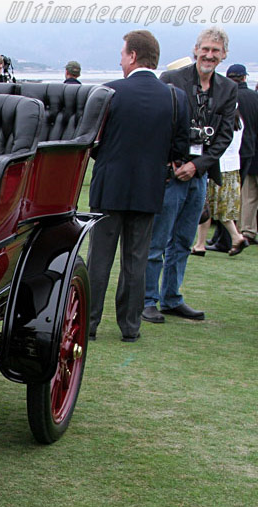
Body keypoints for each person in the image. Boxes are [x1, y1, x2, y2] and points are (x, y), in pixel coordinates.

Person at [87, 30, 188, 342]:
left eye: (122, 54)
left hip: (109, 186)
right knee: (136, 262)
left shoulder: (108, 92)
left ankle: (87, 324)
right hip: (148, 188)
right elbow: (180, 148)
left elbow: (91, 141)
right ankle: (130, 327)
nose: (120, 60)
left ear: (132, 56)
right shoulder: (174, 97)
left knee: (99, 260)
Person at [143, 27, 236, 323]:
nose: (209, 55)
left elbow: (223, 137)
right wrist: (173, 162)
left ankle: (172, 298)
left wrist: (198, 166)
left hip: (200, 175)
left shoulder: (228, 89)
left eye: (215, 51)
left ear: (224, 56)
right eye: (205, 49)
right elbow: (158, 122)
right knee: (158, 240)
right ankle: (148, 300)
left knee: (183, 240)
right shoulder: (173, 80)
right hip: (171, 174)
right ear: (195, 50)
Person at [191, 105, 247, 256]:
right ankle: (200, 244)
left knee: (207, 205)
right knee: (219, 207)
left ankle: (235, 237)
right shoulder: (239, 122)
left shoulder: (222, 122)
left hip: (219, 167)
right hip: (233, 166)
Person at [228, 63, 258, 244]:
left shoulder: (228, 96)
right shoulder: (255, 98)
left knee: (247, 196)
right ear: (245, 77)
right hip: (251, 149)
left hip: (234, 152)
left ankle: (247, 230)